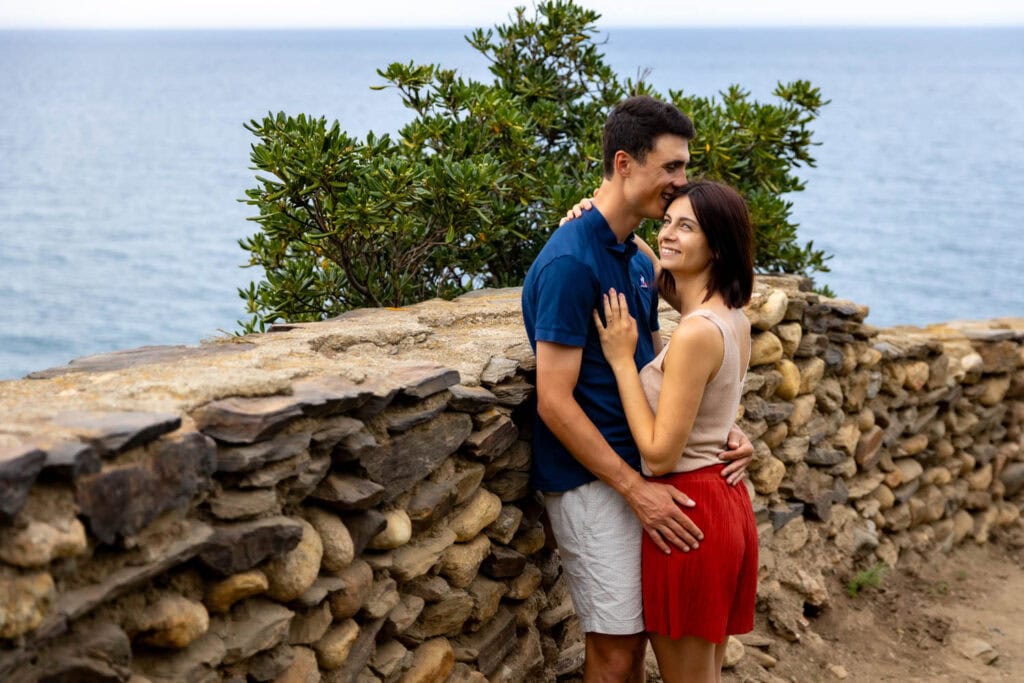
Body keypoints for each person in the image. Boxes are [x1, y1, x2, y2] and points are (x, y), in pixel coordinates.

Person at [521, 96, 753, 682]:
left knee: (663, 647)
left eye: (683, 169)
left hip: (653, 475)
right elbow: (553, 399)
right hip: (598, 483)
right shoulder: (571, 264)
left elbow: (691, 347)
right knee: (619, 654)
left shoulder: (635, 258)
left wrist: (720, 429)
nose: (680, 185)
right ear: (625, 163)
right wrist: (633, 488)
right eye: (671, 169)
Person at [594, 180, 758, 683]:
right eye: (667, 221)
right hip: (723, 505)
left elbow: (660, 455)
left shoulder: (694, 333)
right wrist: (601, 219)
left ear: (718, 246)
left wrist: (623, 361)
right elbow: (712, 406)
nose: (667, 233)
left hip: (686, 514)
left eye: (686, 226)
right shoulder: (730, 318)